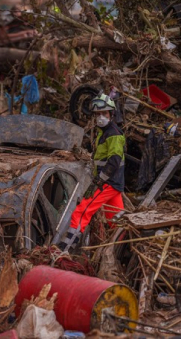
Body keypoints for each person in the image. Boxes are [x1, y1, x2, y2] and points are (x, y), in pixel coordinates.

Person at [58, 93, 125, 251]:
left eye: (104, 114)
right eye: (98, 114)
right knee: (117, 221)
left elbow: (114, 161)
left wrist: (98, 181)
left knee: (82, 212)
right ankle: (123, 250)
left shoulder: (113, 134)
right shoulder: (104, 132)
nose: (101, 117)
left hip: (108, 182)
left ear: (112, 114)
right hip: (114, 183)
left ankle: (64, 251)